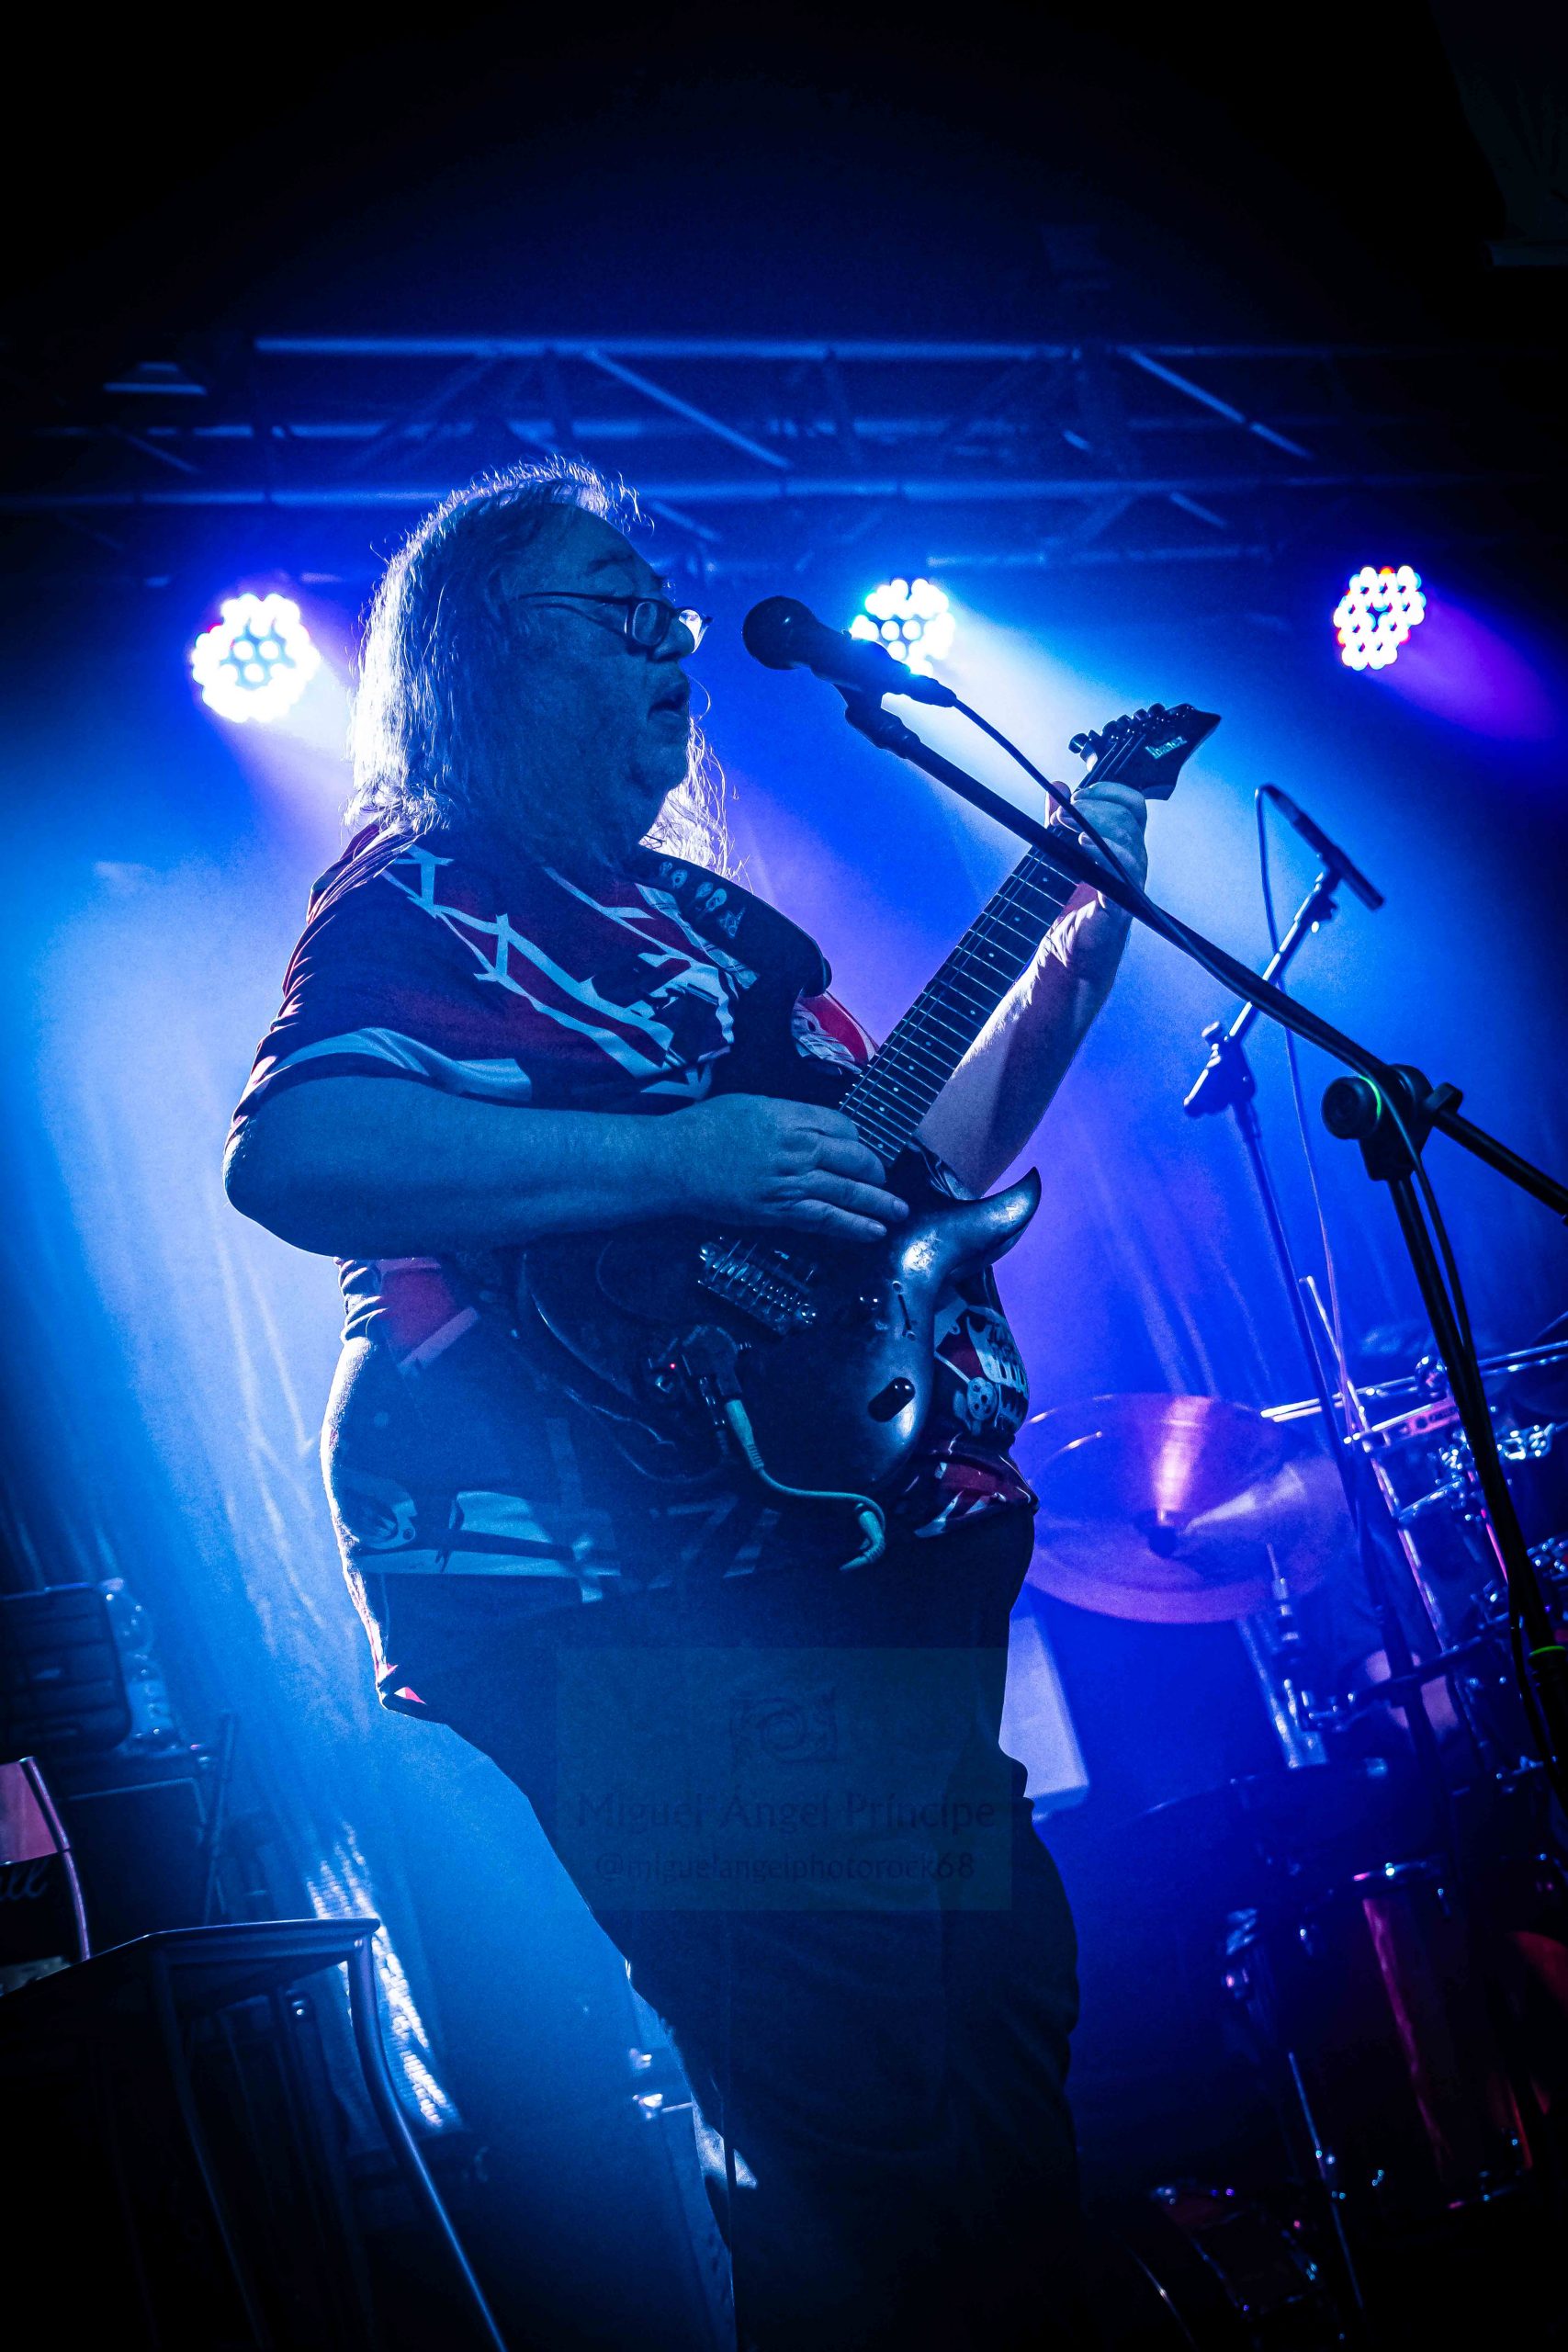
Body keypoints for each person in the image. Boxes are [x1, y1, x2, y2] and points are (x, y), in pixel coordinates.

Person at [225, 458, 1150, 2349]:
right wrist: (685, 1151)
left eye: (673, 612)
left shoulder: (721, 934)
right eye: (617, 609)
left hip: (819, 1549)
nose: (672, 643)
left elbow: (899, 1174)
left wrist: (1078, 947)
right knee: (855, 2080)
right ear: (486, 651)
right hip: (585, 1569)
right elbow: (298, 1150)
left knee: (982, 2008)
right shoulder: (425, 893)